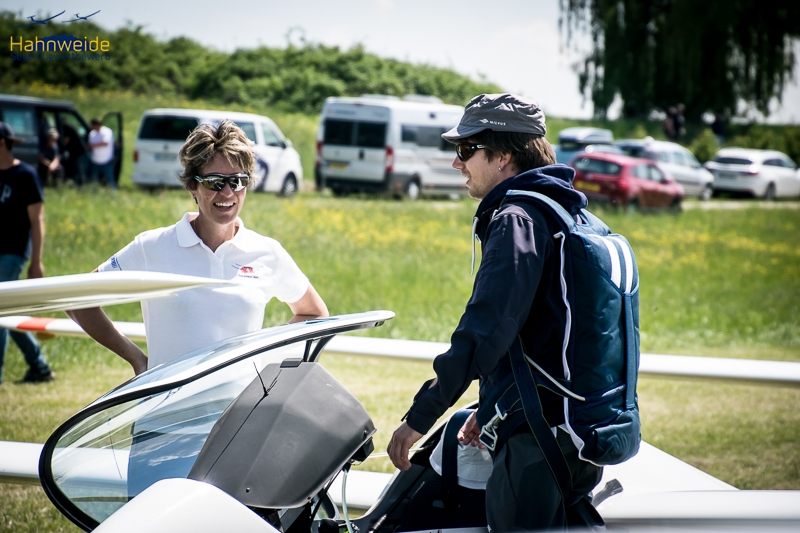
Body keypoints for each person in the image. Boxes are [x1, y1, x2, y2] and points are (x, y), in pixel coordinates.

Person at [387, 94, 603, 532]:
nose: (457, 162)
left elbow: (485, 329)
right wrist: (492, 407)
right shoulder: (567, 212)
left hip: (537, 438)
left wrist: (421, 416)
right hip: (577, 428)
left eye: (467, 149)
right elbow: (540, 334)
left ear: (504, 156)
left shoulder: (517, 219)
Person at [68, 120, 328, 375]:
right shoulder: (152, 246)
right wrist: (137, 360)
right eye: (215, 181)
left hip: (242, 404)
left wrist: (266, 361)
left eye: (237, 181)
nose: (227, 193)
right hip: (166, 404)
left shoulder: (268, 252)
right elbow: (77, 301)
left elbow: (314, 313)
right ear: (192, 186)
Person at [0, 122, 55, 384]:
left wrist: (37, 262)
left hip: (12, 253)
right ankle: (39, 365)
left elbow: (37, 221)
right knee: (7, 313)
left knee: (0, 309)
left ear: (2, 143)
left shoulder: (25, 175)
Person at [87, 118, 115, 189]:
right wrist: (94, 145)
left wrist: (94, 145)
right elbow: (89, 145)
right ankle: (95, 192)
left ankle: (112, 192)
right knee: (94, 179)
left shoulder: (107, 131)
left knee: (109, 178)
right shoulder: (92, 133)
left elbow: (105, 143)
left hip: (106, 160)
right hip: (95, 160)